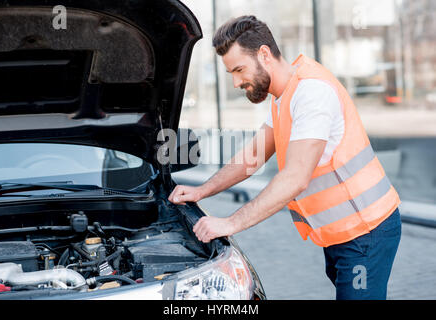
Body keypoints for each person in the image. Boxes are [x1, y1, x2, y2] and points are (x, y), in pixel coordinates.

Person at [168, 15, 401, 300]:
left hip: (366, 232)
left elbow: (295, 178)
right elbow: (252, 157)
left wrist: (231, 223)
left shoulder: (312, 93)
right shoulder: (284, 95)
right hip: (342, 235)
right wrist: (203, 190)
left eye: (239, 70)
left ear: (264, 54)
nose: (236, 82)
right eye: (231, 73)